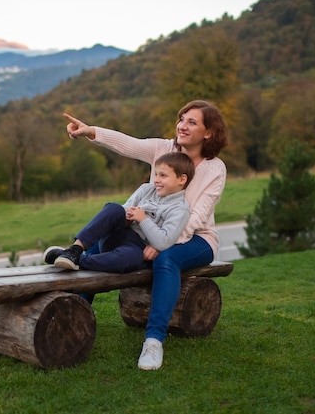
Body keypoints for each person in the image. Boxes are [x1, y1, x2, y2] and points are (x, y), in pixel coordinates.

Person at [62, 100, 228, 371]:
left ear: (208, 132)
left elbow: (195, 216)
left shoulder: (214, 168)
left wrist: (161, 244)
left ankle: (153, 341)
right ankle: (74, 310)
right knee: (102, 239)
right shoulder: (164, 149)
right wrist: (91, 131)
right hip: (152, 232)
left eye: (192, 122)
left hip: (196, 238)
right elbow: (128, 143)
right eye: (181, 118)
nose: (182, 126)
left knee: (167, 261)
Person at [44, 152, 195, 273]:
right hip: (119, 234)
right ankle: (75, 250)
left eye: (163, 175)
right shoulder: (147, 189)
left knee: (131, 259)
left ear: (181, 179)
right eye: (156, 174)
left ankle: (77, 260)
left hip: (136, 248)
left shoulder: (180, 209)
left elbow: (163, 241)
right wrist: (128, 214)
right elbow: (123, 210)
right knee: (114, 208)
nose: (156, 180)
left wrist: (143, 219)